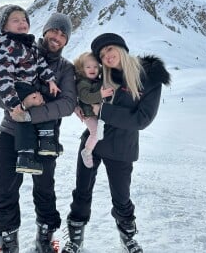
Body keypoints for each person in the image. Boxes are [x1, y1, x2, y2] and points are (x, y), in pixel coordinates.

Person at [62, 33, 171, 253]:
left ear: (121, 48)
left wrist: (103, 110)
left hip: (122, 147)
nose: (107, 56)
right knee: (81, 192)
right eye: (102, 54)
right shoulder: (101, 75)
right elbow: (81, 87)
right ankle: (75, 239)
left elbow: (142, 119)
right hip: (92, 143)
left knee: (122, 198)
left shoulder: (149, 77)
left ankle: (128, 239)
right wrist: (78, 106)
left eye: (109, 49)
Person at [0, 12, 77, 253]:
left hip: (46, 138)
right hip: (10, 132)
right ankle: (8, 241)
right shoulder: (18, 50)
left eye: (63, 34)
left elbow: (68, 103)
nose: (57, 37)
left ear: (66, 40)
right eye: (54, 31)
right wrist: (21, 102)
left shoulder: (65, 69)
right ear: (45, 31)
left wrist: (29, 114)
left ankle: (45, 240)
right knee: (5, 187)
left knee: (45, 188)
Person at [0, 4, 61, 176]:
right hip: (17, 88)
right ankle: (25, 156)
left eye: (24, 19)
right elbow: (2, 78)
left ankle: (47, 141)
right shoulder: (2, 47)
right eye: (15, 20)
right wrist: (15, 104)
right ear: (4, 27)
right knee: (23, 117)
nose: (22, 23)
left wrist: (50, 80)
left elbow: (41, 65)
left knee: (41, 101)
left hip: (28, 87)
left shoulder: (29, 45)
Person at [73, 52, 113, 168]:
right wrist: (101, 94)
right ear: (82, 69)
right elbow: (85, 98)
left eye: (95, 66)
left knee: (100, 132)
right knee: (95, 132)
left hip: (96, 113)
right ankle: (87, 151)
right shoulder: (83, 82)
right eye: (88, 67)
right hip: (88, 114)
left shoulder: (96, 81)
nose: (92, 69)